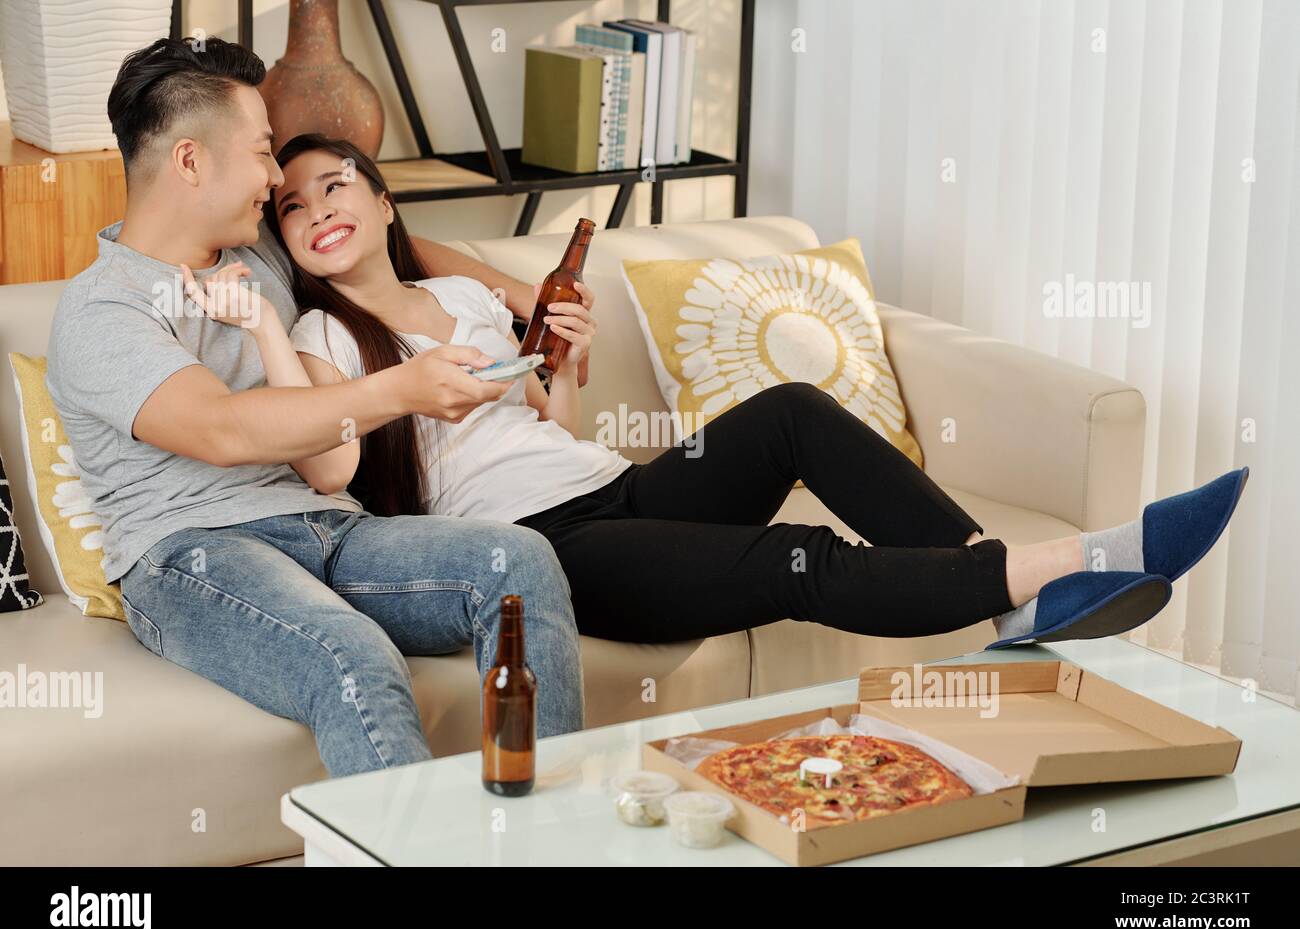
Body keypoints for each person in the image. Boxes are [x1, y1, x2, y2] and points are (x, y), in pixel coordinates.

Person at [187, 131, 1251, 650]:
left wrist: (560, 358)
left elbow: (548, 419)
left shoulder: (464, 293)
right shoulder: (326, 331)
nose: (316, 208)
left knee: (790, 410)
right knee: (797, 556)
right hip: (542, 547)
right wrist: (284, 332)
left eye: (335, 186)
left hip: (618, 487)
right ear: (288, 241)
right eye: (289, 206)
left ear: (378, 201)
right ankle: (1068, 564)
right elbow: (326, 458)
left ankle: (995, 581)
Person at [45, 37, 587, 779]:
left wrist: (518, 292)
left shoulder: (256, 249)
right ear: (191, 162)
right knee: (351, 655)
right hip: (194, 555)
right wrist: (399, 387)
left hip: (332, 526)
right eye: (262, 154)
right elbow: (225, 430)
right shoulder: (102, 310)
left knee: (517, 561)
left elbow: (389, 236)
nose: (275, 178)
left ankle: (546, 833)